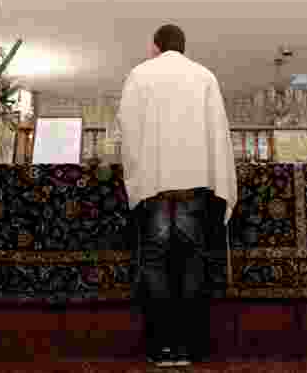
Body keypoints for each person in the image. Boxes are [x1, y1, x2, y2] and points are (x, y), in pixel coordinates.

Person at [119, 24, 237, 367]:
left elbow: (127, 127)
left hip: (155, 186)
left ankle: (160, 348)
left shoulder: (140, 75)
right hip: (192, 184)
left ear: (155, 46)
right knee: (192, 264)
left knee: (154, 264)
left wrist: (137, 176)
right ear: (183, 46)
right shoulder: (204, 76)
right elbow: (218, 130)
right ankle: (189, 349)